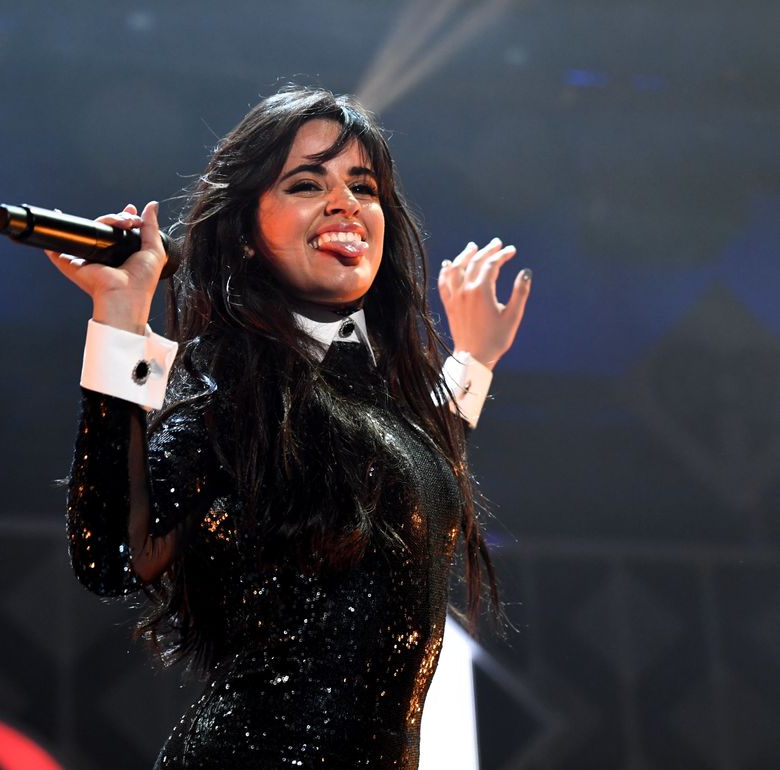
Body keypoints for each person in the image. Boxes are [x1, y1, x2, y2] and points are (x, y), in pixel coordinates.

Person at [47, 86, 531, 769]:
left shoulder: (382, 401)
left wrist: (474, 358)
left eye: (363, 186)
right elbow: (113, 557)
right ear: (246, 236)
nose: (345, 203)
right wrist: (122, 322)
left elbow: (404, 469)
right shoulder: (234, 393)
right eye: (306, 183)